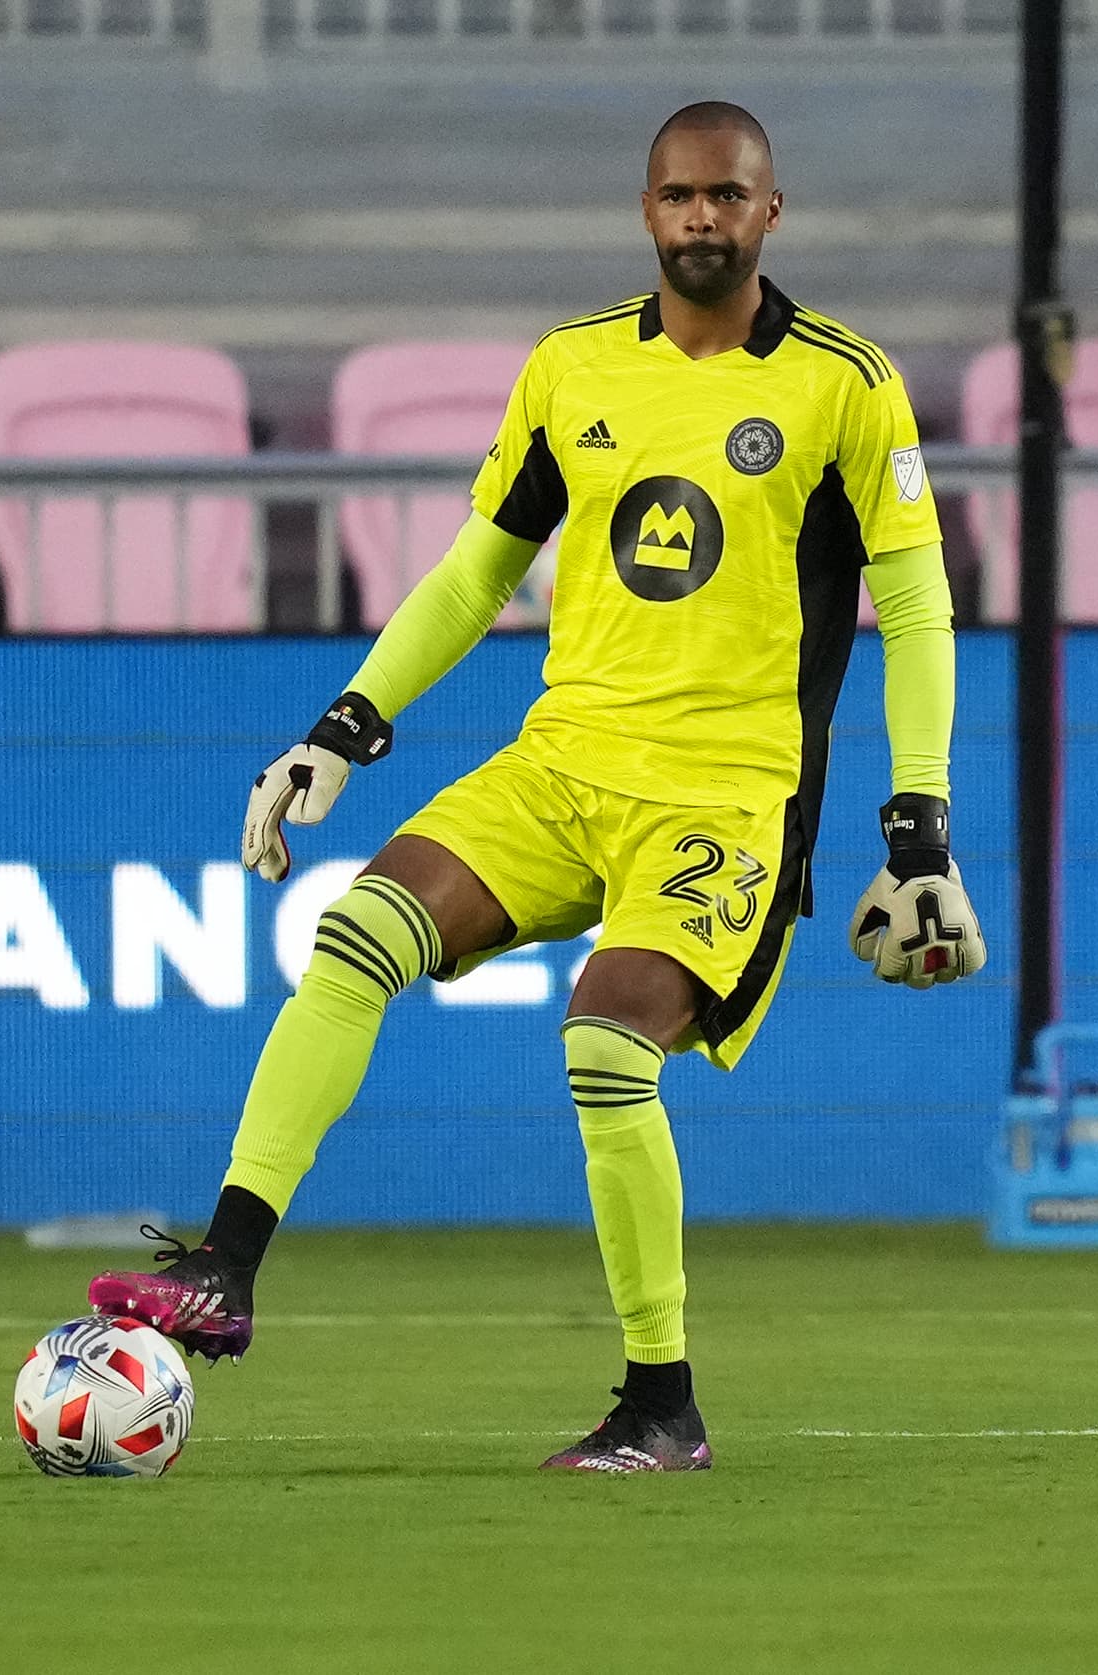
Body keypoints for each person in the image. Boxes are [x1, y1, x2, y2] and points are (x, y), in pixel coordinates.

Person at [91, 101, 986, 1474]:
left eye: (727, 198)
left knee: (606, 1045)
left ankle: (660, 1401)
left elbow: (916, 601)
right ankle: (225, 1265)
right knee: (356, 933)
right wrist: (348, 723)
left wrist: (917, 826)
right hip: (564, 763)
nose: (702, 218)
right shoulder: (572, 371)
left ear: (770, 213)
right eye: (679, 196)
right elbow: (476, 570)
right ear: (648, 212)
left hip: (726, 794)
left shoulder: (842, 383)